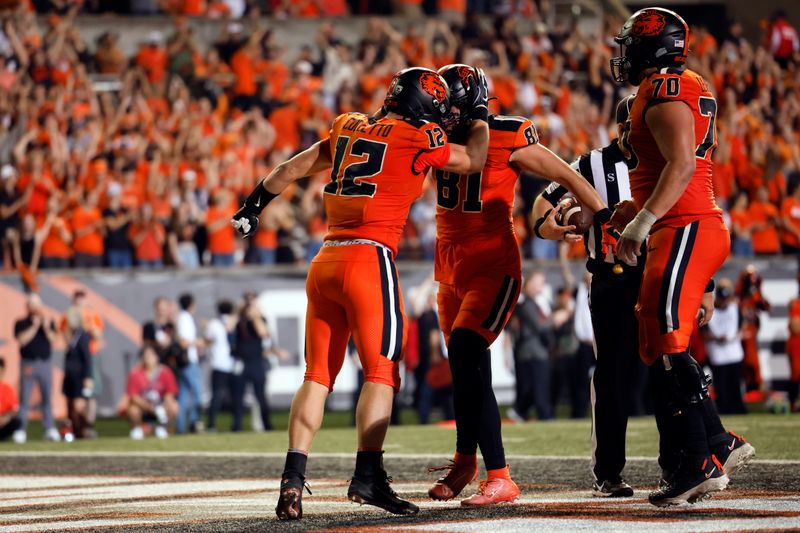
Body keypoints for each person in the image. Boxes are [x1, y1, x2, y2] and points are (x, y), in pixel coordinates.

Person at [231, 67, 488, 520]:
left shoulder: (346, 124)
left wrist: (252, 207)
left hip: (326, 258)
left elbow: (291, 168)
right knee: (381, 372)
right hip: (369, 258)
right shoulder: (418, 135)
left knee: (316, 377)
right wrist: (481, 113)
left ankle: (292, 479)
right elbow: (473, 160)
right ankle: (368, 475)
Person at [426, 63, 610, 507]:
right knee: (464, 368)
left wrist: (603, 219)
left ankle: (501, 476)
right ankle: (465, 461)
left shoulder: (507, 135)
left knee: (468, 353)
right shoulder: (433, 133)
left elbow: (565, 173)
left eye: (448, 105)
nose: (440, 113)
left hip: (492, 264)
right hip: (449, 264)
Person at [610, 8, 755, 506]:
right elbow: (660, 174)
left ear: (653, 46)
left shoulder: (668, 87)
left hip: (685, 225)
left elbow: (683, 164)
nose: (622, 54)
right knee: (656, 338)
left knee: (667, 337)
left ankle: (700, 460)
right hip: (678, 226)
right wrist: (627, 212)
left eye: (630, 44)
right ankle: (716, 440)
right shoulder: (663, 88)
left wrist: (643, 221)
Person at [532, 96, 648, 497]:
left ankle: (683, 464)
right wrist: (556, 226)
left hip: (657, 276)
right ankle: (609, 471)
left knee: (667, 369)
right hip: (612, 278)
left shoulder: (667, 158)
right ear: (623, 127)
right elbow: (540, 209)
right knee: (613, 374)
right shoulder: (589, 164)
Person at [508, 271, 555, 422]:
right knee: (536, 386)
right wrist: (555, 319)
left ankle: (523, 412)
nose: (541, 286)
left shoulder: (539, 302)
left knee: (534, 386)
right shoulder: (527, 304)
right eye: (537, 282)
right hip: (532, 352)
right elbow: (539, 326)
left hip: (538, 351)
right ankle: (540, 414)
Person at [13, 293, 60, 443]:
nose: (35, 308)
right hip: (28, 364)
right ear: (28, 307)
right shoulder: (22, 323)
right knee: (25, 398)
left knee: (47, 397)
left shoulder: (48, 321)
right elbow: (21, 340)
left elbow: (53, 340)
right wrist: (34, 326)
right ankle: (20, 429)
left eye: (37, 304)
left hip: (45, 363)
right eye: (32, 304)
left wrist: (45, 327)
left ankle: (49, 428)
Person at [231, 292, 274, 432]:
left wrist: (255, 315)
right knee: (238, 397)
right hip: (241, 362)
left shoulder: (260, 318)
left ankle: (267, 425)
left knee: (260, 396)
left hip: (256, 362)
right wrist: (239, 311)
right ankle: (237, 426)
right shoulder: (239, 320)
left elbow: (263, 333)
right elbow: (228, 327)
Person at [703, 279, 746, 415]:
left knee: (736, 385)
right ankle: (724, 409)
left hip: (734, 353)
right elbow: (703, 332)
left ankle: (738, 408)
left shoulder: (735, 308)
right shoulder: (710, 310)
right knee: (721, 387)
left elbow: (741, 327)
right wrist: (717, 338)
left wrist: (735, 335)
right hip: (718, 354)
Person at [125, 345, 179, 440]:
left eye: (151, 355)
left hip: (160, 406)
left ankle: (163, 428)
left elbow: (171, 392)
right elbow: (133, 396)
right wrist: (150, 407)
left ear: (157, 357)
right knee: (132, 409)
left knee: (174, 406)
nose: (148, 358)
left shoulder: (165, 371)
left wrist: (165, 403)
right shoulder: (135, 373)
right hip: (144, 407)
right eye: (146, 356)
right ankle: (138, 429)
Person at [736, 265, 770, 395]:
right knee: (743, 363)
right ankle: (748, 389)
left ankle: (756, 388)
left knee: (752, 361)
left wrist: (756, 291)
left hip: (751, 333)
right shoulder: (739, 297)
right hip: (739, 335)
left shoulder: (755, 295)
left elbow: (765, 306)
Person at [61, 307, 93, 439]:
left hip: (80, 377)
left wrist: (88, 377)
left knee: (79, 406)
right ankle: (74, 431)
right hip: (70, 377)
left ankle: (84, 430)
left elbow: (87, 358)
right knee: (70, 406)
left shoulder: (83, 335)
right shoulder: (72, 336)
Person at [206, 299, 236, 431]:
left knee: (216, 396)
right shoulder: (234, 321)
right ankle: (236, 425)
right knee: (236, 397)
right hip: (232, 364)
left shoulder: (213, 324)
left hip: (218, 364)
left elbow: (208, 339)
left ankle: (211, 425)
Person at [175, 293, 204, 433]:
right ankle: (193, 423)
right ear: (191, 304)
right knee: (198, 396)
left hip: (187, 362)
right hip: (188, 362)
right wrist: (197, 342)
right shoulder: (185, 318)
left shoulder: (183, 317)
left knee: (184, 395)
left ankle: (181, 427)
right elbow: (183, 342)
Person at [787, 263, 800, 412]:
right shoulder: (796, 304)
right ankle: (792, 404)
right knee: (796, 375)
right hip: (796, 346)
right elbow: (796, 327)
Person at [0, 358, 22, 442]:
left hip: (3, 421)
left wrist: (6, 417)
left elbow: (14, 409)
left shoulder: (7, 389)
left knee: (17, 421)